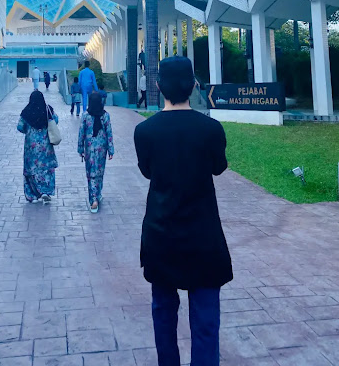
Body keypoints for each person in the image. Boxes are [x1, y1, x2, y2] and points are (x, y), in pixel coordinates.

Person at [134, 56, 232, 366]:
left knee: (163, 311)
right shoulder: (211, 129)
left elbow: (148, 173)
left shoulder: (144, 131)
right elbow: (218, 168)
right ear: (192, 85)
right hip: (203, 236)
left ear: (159, 86)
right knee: (205, 318)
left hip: (161, 234)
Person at [17, 90, 59, 204]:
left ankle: (33, 195)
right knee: (46, 169)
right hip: (46, 146)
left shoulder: (26, 111)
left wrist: (29, 130)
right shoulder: (48, 109)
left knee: (31, 170)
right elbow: (56, 121)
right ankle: (45, 191)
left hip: (31, 147)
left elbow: (20, 127)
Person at [78, 92, 114, 213]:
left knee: (91, 173)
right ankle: (97, 195)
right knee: (99, 172)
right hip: (102, 149)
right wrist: (111, 150)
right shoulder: (105, 116)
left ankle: (93, 199)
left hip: (89, 149)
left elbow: (81, 133)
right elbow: (109, 133)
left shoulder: (85, 116)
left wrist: (80, 149)